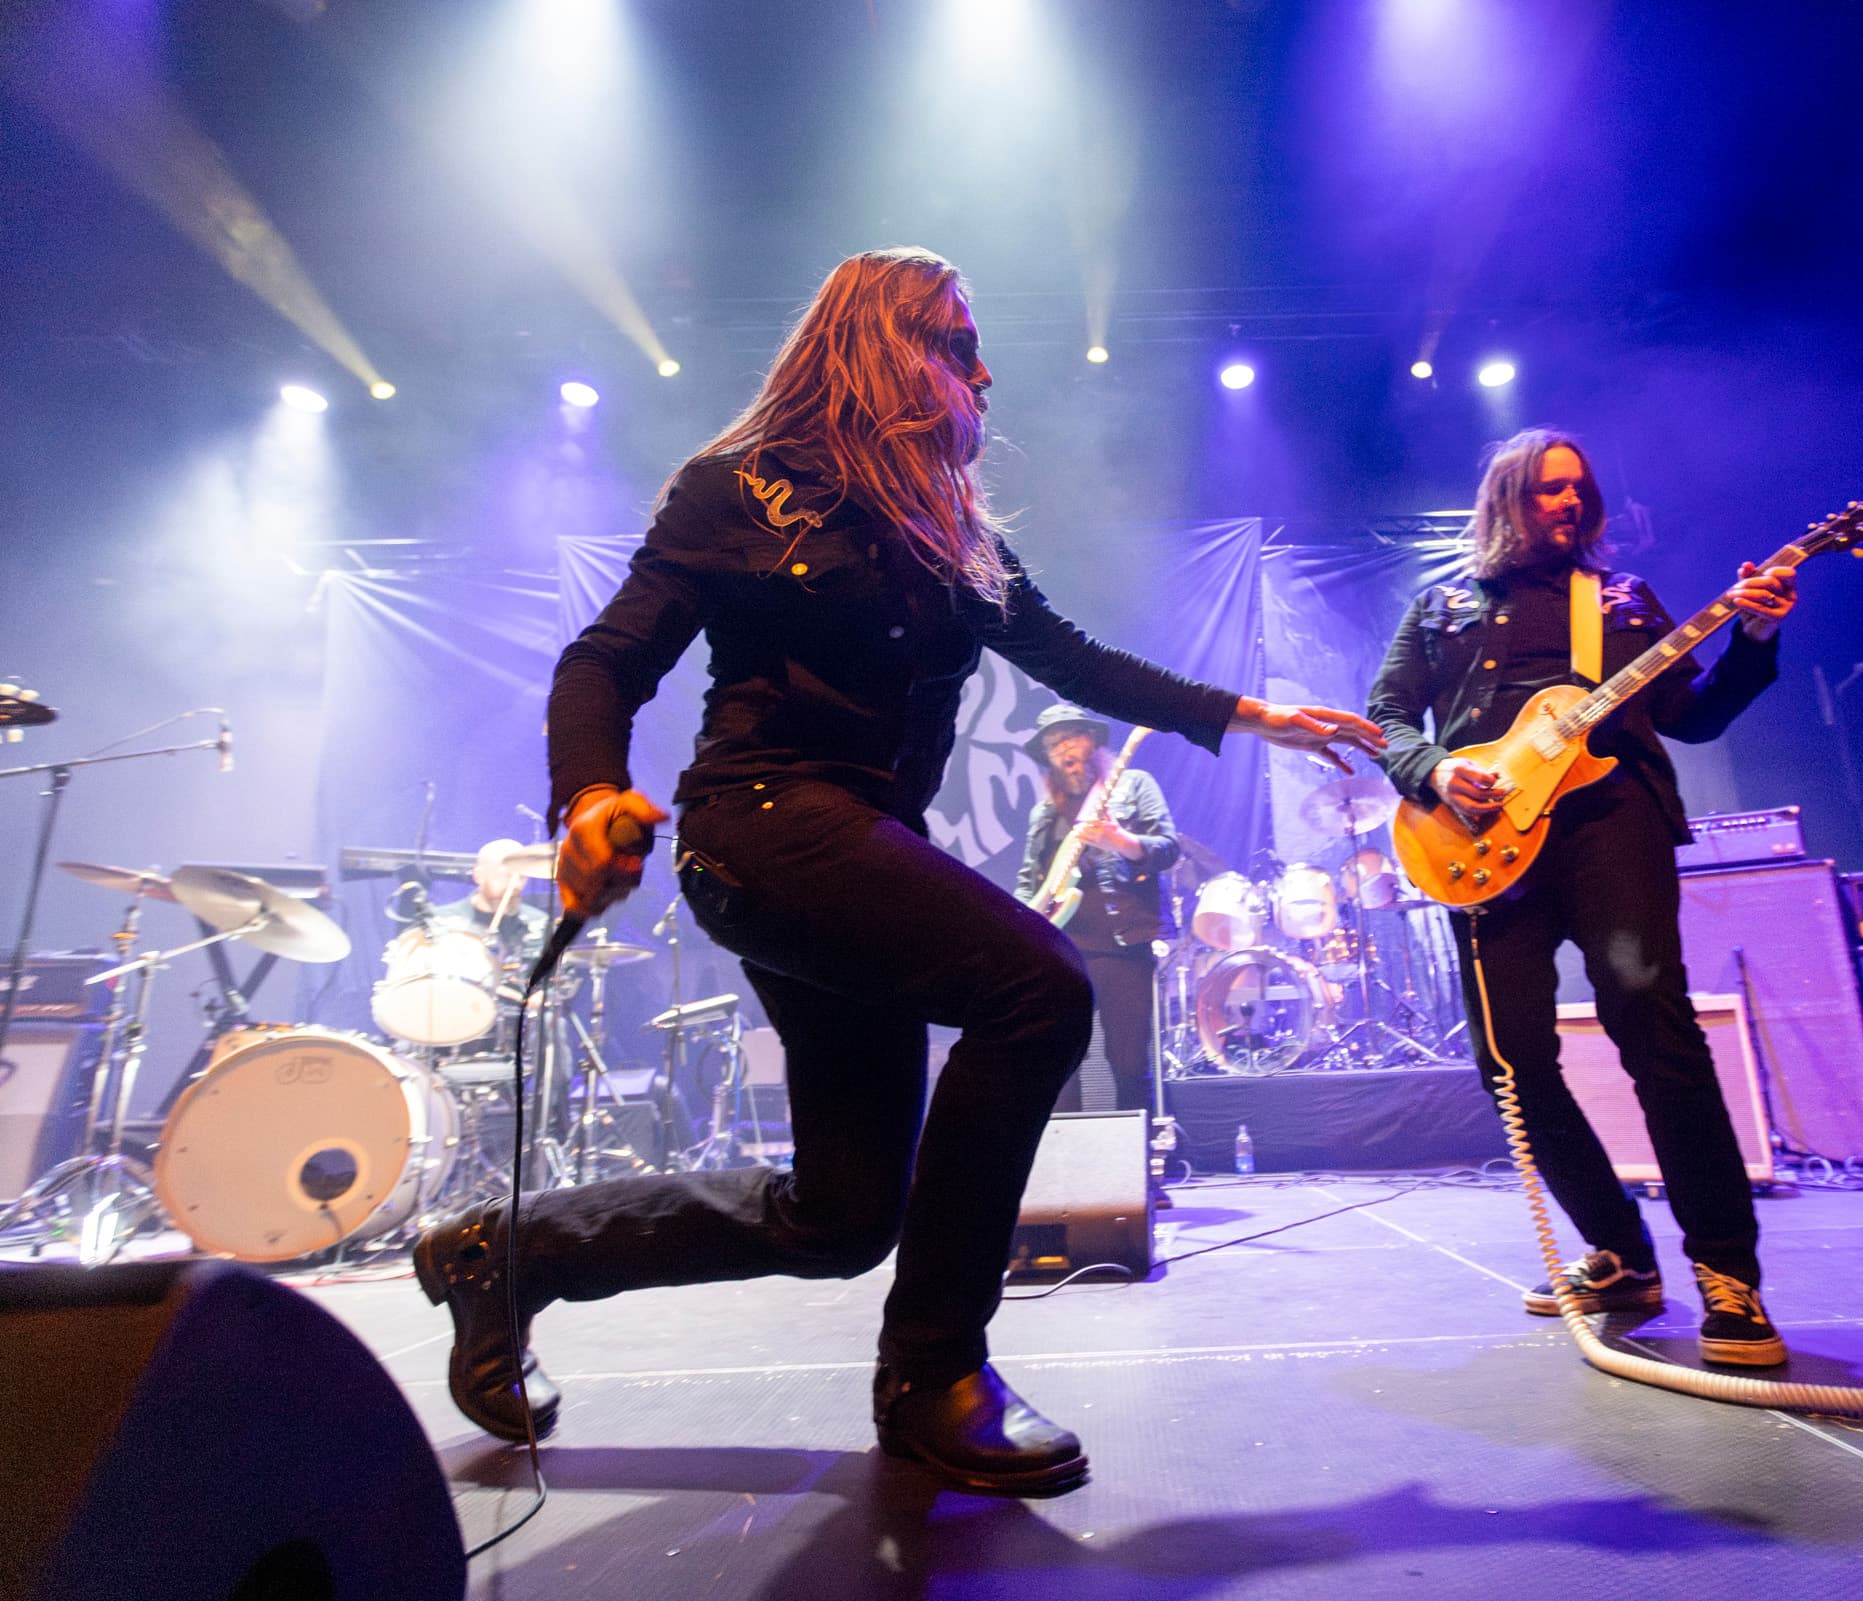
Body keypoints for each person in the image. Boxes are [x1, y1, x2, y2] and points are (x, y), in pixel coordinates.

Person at [412, 246, 1384, 1495]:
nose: (985, 372)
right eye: (960, 343)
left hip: (860, 843)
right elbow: (603, 661)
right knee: (1038, 987)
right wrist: (592, 795)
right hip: (759, 825)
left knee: (842, 1215)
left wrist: (1251, 714)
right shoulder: (736, 488)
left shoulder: (946, 522)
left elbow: (1069, 657)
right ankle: (934, 1372)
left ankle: (503, 1252)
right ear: (887, 348)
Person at [1366, 427, 1798, 1366]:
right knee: (1511, 1062)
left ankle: (1728, 1273)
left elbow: (1694, 717)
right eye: (1548, 489)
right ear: (1506, 501)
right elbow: (1388, 713)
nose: (1570, 502)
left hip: (1613, 823)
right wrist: (1433, 770)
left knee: (1655, 1027)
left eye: (1580, 489)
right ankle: (1620, 1249)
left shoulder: (1624, 600)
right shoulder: (1442, 605)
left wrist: (1756, 635)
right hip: (1484, 842)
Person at [1014, 705, 1175, 1123]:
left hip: (1124, 946)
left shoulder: (1133, 785)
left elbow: (1167, 848)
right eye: (1054, 744)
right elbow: (1028, 882)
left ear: (1092, 740)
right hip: (1062, 954)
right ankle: (1069, 1159)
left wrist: (1120, 841)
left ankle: (1138, 1156)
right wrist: (1018, 930)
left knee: (1128, 1062)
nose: (1065, 749)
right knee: (1061, 1064)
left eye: (1072, 737)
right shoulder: (1044, 813)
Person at [430, 837, 550, 970]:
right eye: (507, 876)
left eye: (522, 877)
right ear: (478, 876)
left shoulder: (539, 923)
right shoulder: (441, 921)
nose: (517, 884)